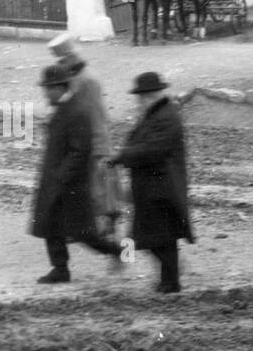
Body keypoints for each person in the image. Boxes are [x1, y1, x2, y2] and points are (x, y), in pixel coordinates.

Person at [30, 63, 124, 284]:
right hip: (58, 181)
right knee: (50, 225)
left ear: (58, 87)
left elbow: (80, 151)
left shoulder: (77, 111)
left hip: (72, 185)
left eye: (47, 88)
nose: (45, 92)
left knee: (84, 233)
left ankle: (118, 251)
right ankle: (60, 268)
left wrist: (61, 176)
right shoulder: (64, 109)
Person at [108, 72, 194, 293]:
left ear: (151, 95)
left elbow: (152, 149)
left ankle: (171, 281)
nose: (139, 101)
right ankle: (169, 280)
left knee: (158, 238)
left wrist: (121, 156)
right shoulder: (158, 113)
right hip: (155, 187)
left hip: (160, 188)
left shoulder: (165, 116)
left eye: (142, 96)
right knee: (160, 238)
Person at [49, 33, 121, 238]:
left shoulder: (82, 80)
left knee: (98, 184)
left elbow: (87, 114)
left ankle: (104, 226)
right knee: (101, 183)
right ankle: (103, 223)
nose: (62, 64)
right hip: (96, 136)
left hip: (94, 137)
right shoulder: (83, 76)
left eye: (63, 60)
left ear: (71, 58)